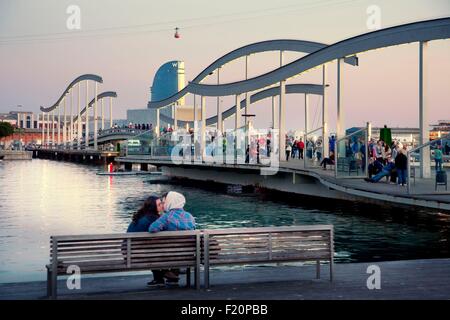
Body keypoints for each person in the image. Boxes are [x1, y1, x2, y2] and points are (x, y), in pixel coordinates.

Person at [148, 191, 196, 285]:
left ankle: (163, 277)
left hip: (169, 255)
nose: (164, 203)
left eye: (165, 201)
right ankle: (173, 277)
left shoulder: (167, 217)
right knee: (178, 246)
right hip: (187, 254)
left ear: (170, 202)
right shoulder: (190, 217)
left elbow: (152, 229)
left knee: (159, 248)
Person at [127, 196, 165, 287]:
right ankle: (167, 274)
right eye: (159, 204)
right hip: (135, 253)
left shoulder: (142, 216)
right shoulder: (153, 219)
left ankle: (159, 278)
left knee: (153, 247)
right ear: (153, 207)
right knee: (158, 248)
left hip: (128, 250)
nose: (162, 206)